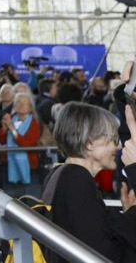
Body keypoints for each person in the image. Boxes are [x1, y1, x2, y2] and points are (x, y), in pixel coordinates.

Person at [47, 102, 136, 262]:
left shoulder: (62, 174)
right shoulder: (76, 180)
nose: (119, 146)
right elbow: (104, 253)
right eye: (113, 140)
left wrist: (128, 213)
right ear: (89, 144)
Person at [0, 92, 41, 196]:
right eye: (17, 102)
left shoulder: (34, 123)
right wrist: (4, 128)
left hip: (29, 165)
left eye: (24, 103)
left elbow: (26, 143)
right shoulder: (11, 118)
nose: (20, 105)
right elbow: (3, 141)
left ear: (30, 107)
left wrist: (12, 128)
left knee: (30, 197)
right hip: (9, 163)